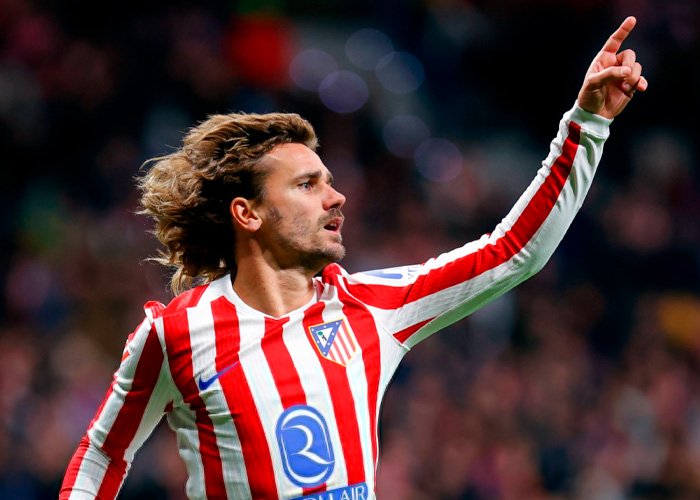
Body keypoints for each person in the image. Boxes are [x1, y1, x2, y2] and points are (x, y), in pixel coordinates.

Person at [60, 16, 647, 500]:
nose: (336, 197)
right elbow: (103, 454)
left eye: (330, 181)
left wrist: (588, 123)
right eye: (307, 185)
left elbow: (513, 251)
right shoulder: (176, 333)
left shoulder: (370, 307)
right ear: (248, 213)